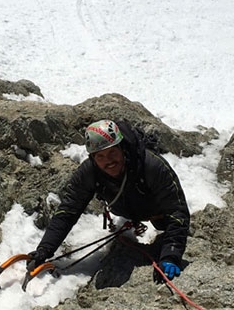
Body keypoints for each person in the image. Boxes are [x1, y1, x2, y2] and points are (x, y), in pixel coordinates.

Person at [27, 119, 190, 283]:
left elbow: (177, 210)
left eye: (112, 152)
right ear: (93, 158)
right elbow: (68, 211)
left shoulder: (152, 166)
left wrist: (171, 254)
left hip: (157, 211)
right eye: (101, 156)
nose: (109, 161)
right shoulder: (89, 173)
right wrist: (45, 249)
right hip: (125, 208)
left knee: (165, 224)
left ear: (122, 148)